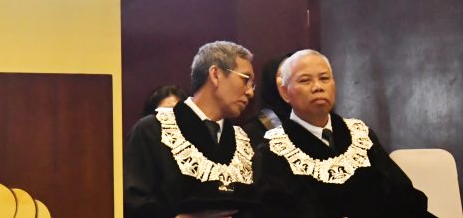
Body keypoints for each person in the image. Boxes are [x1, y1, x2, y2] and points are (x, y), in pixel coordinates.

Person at [253, 49, 432, 217]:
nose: (318, 87)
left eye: (324, 78)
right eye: (305, 81)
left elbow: (402, 193)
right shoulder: (275, 149)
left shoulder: (360, 136)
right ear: (285, 92)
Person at [125, 41, 259, 218]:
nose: (250, 92)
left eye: (252, 84)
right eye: (245, 79)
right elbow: (134, 201)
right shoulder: (153, 130)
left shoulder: (243, 141)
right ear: (215, 74)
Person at [242, 52, 293, 150]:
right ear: (271, 81)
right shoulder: (257, 128)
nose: (292, 81)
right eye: (284, 75)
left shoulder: (318, 122)